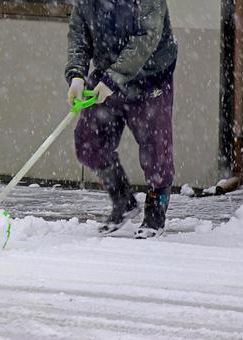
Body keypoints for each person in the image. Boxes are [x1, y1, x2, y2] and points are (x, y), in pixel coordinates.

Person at [65, 0, 178, 238]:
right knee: (89, 141)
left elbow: (147, 37)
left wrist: (114, 78)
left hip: (151, 77)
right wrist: (76, 74)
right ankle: (123, 200)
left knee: (156, 149)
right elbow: (79, 34)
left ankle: (155, 214)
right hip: (107, 74)